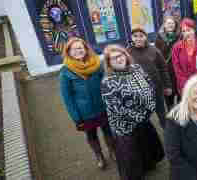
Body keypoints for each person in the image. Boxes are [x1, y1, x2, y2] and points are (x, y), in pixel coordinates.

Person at [101, 45, 164, 180]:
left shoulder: (136, 69)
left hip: (143, 118)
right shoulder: (108, 81)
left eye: (121, 55)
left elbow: (150, 86)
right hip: (125, 126)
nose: (119, 59)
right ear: (109, 63)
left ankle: (148, 166)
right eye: (114, 58)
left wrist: (149, 108)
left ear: (126, 55)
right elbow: (117, 109)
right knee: (131, 156)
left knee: (145, 146)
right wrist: (140, 116)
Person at [59, 37, 115, 169]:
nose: (78, 51)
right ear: (68, 52)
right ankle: (99, 156)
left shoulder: (97, 63)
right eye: (74, 49)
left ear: (85, 49)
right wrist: (76, 118)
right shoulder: (65, 72)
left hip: (103, 107)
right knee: (91, 135)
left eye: (80, 48)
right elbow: (67, 98)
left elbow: (107, 84)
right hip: (85, 113)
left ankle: (113, 151)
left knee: (108, 131)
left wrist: (112, 103)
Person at [128, 25, 172, 128]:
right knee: (143, 117)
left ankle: (166, 132)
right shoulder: (127, 52)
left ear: (145, 37)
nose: (138, 39)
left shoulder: (154, 50)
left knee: (161, 113)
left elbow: (163, 69)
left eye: (141, 36)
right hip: (139, 93)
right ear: (132, 38)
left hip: (156, 89)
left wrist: (167, 86)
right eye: (135, 36)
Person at [172, 18, 197, 95]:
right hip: (184, 86)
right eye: (184, 31)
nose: (187, 33)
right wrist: (187, 84)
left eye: (189, 30)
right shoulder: (176, 47)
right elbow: (177, 69)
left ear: (194, 30)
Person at [155, 15, 182, 109]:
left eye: (172, 23)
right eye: (168, 23)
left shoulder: (180, 36)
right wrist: (167, 43)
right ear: (164, 25)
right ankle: (170, 112)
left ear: (175, 25)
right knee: (168, 94)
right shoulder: (159, 38)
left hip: (178, 70)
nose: (170, 25)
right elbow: (157, 56)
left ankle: (179, 113)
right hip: (166, 72)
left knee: (180, 94)